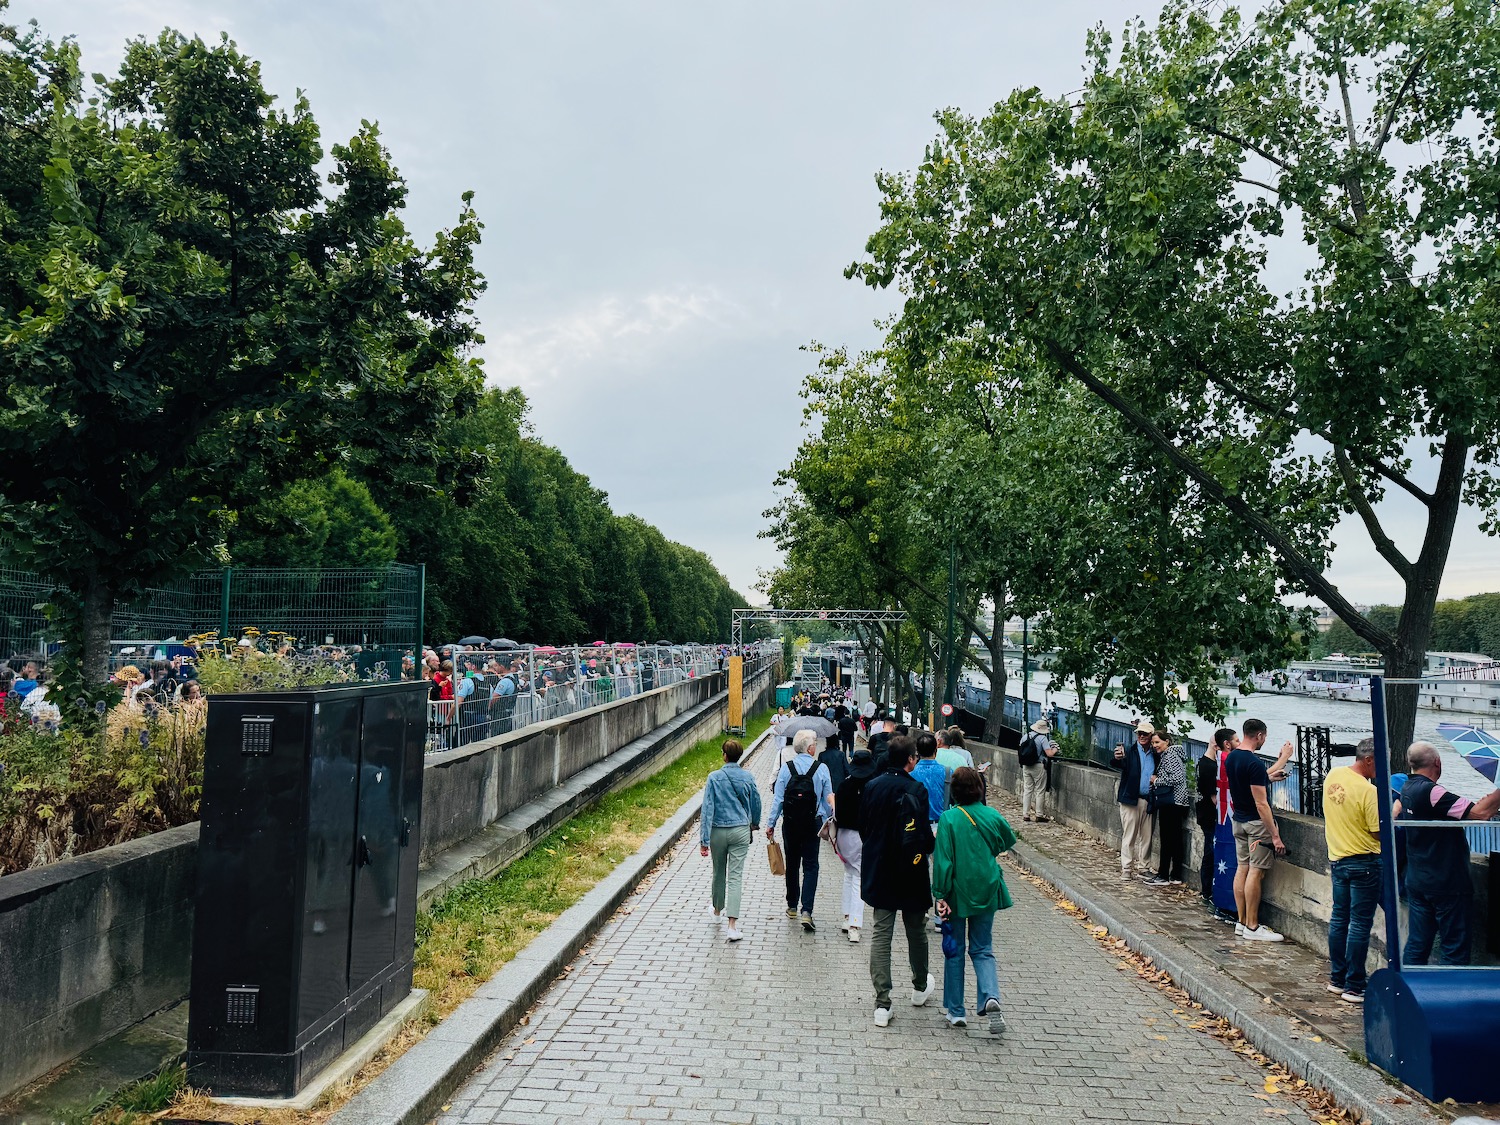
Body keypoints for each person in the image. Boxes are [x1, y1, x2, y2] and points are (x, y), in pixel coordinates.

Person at [1396, 741, 1500, 965]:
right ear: (1437, 762)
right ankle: (1450, 995)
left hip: (1418, 879)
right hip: (1446, 882)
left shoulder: (1407, 788)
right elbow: (1480, 814)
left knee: (1417, 943)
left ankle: (1410, 991)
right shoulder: (1432, 791)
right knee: (1454, 947)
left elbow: (1463, 810)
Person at [932, 766, 1016, 1035]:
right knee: (982, 948)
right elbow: (1007, 840)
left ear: (953, 791)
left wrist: (940, 894)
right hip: (987, 887)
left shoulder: (949, 819)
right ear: (980, 789)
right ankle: (990, 995)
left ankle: (956, 1011)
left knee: (954, 950)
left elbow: (943, 861)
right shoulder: (991, 814)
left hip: (957, 891)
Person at [860, 736, 935, 1027]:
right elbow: (923, 833)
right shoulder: (916, 788)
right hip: (911, 868)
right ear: (911, 760)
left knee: (882, 932)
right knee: (916, 929)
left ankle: (882, 1003)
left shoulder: (872, 786)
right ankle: (918, 986)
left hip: (881, 867)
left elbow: (865, 826)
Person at [1322, 738, 1382, 1001]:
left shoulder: (1333, 775)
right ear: (1369, 760)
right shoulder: (1369, 791)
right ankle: (1355, 985)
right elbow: (1377, 832)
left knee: (1339, 919)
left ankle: (1337, 977)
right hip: (1365, 862)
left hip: (1338, 858)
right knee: (1359, 924)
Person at [1225, 718, 1287, 941]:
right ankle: (1252, 926)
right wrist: (1275, 836)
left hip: (1238, 821)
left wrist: (1268, 778)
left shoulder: (1231, 758)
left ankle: (1241, 922)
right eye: (1265, 737)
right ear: (1259, 735)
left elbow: (1245, 784)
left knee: (1241, 868)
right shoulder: (1254, 762)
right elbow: (1261, 804)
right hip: (1255, 823)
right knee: (1255, 871)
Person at [766, 728, 833, 932]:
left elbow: (778, 799)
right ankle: (807, 910)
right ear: (811, 748)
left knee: (793, 862)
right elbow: (828, 800)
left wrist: (771, 824)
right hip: (813, 823)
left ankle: (792, 905)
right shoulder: (821, 768)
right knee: (811, 865)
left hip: (791, 823)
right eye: (815, 744)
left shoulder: (787, 769)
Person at [700, 738, 762, 943]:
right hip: (740, 831)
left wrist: (704, 840)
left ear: (724, 755)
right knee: (735, 877)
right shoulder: (747, 777)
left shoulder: (714, 777)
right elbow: (756, 802)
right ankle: (732, 926)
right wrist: (754, 822)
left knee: (718, 872)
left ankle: (717, 912)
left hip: (718, 830)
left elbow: (707, 809)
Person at [833, 747, 879, 943]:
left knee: (849, 873)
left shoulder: (844, 786)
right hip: (863, 835)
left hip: (844, 834)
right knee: (860, 877)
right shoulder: (873, 787)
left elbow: (838, 813)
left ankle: (846, 916)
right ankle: (854, 923)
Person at [1197, 730, 1238, 921]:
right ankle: (1207, 890)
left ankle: (1208, 890)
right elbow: (1215, 797)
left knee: (1211, 851)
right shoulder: (1208, 766)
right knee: (1210, 850)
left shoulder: (1208, 763)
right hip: (1210, 816)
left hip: (1209, 815)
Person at [1110, 721, 1158, 880]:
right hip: (1130, 799)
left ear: (1151, 735)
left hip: (1148, 800)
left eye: (1145, 734)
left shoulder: (1156, 754)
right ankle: (1126, 868)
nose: (1142, 736)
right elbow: (1118, 763)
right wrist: (1118, 758)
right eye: (1139, 733)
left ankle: (1144, 867)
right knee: (1129, 835)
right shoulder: (1129, 751)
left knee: (1147, 837)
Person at [1146, 728, 1190, 886]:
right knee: (1175, 839)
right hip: (1176, 802)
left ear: (1167, 742)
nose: (1154, 746)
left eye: (1157, 742)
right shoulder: (1172, 755)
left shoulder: (1170, 755)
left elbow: (1177, 778)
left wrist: (1156, 781)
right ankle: (1175, 875)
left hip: (1171, 802)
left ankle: (1163, 874)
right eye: (1153, 743)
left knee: (1167, 839)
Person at [1018, 719, 1059, 822]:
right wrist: (1055, 749)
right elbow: (1049, 754)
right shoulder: (1042, 738)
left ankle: (1025, 814)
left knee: (1028, 789)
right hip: (1038, 766)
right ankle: (1039, 814)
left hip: (1026, 766)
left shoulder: (1025, 737)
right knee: (1040, 790)